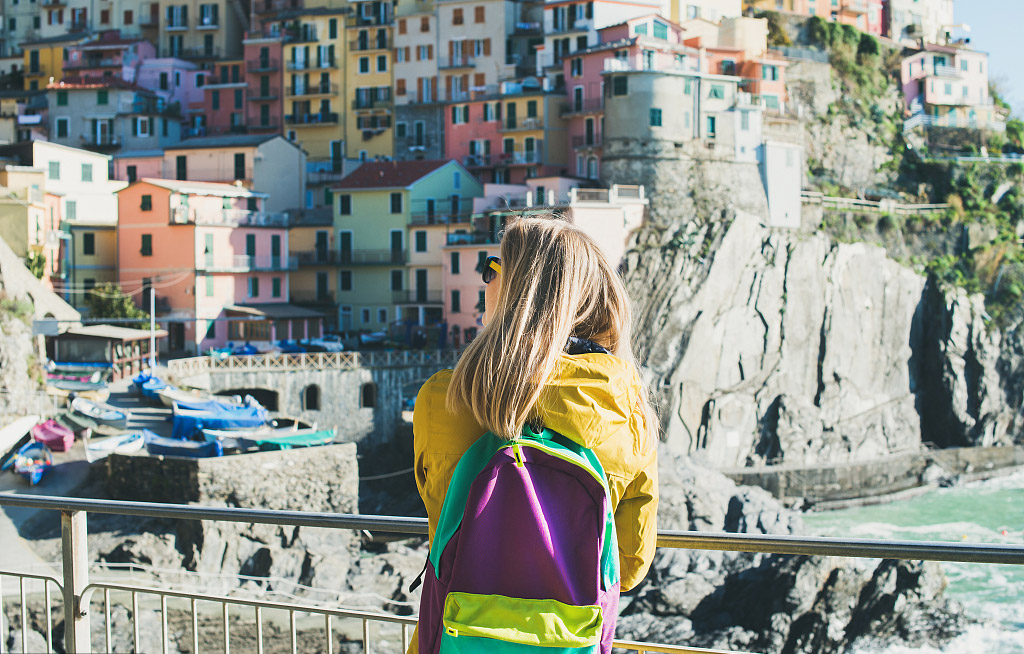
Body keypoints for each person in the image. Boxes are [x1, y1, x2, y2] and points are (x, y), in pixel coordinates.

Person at [409, 217, 659, 652]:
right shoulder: (625, 409)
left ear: (517, 290)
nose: (484, 279)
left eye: (492, 268)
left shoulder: (444, 400)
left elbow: (441, 521)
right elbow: (631, 564)